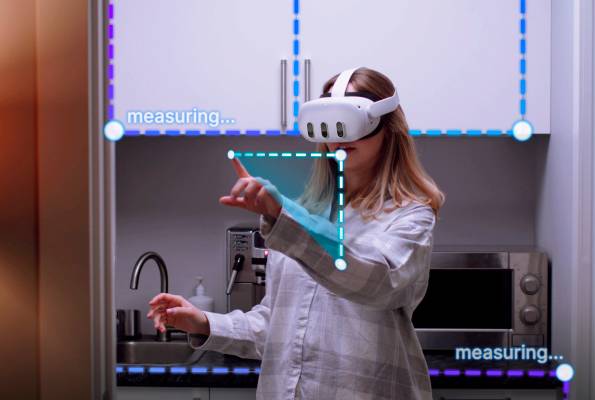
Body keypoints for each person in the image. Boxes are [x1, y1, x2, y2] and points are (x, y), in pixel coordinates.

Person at [147, 67, 445, 399]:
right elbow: (277, 326)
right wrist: (204, 323)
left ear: (387, 128)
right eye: (330, 122)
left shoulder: (410, 214)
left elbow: (376, 280)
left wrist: (285, 220)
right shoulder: (307, 213)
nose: (340, 134)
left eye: (351, 119)